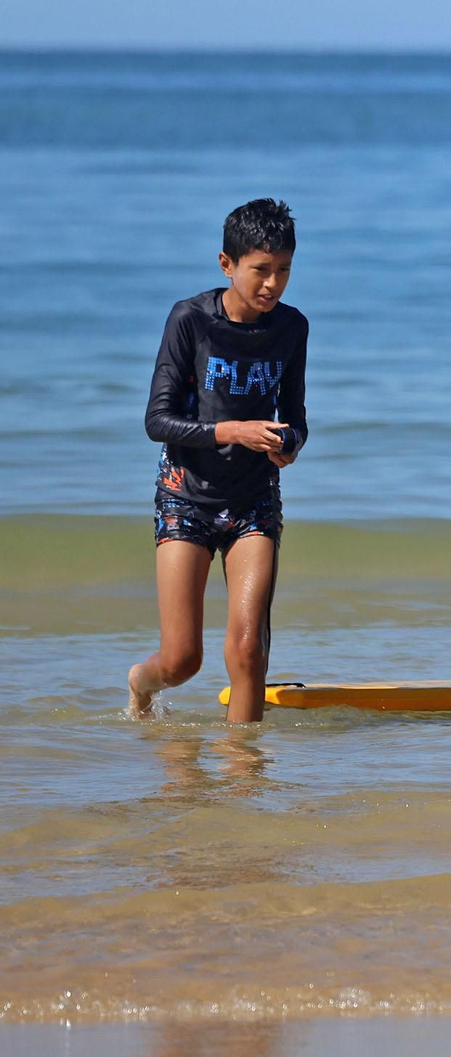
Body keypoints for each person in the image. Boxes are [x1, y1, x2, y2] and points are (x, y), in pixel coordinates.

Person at [127, 199, 309, 723]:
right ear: (227, 264)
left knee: (249, 652)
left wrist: (287, 445)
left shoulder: (292, 328)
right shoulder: (191, 320)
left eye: (284, 271)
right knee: (183, 660)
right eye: (261, 270)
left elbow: (294, 416)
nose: (273, 284)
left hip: (254, 500)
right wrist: (231, 431)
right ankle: (142, 679)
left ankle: (243, 785)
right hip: (186, 497)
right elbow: (157, 421)